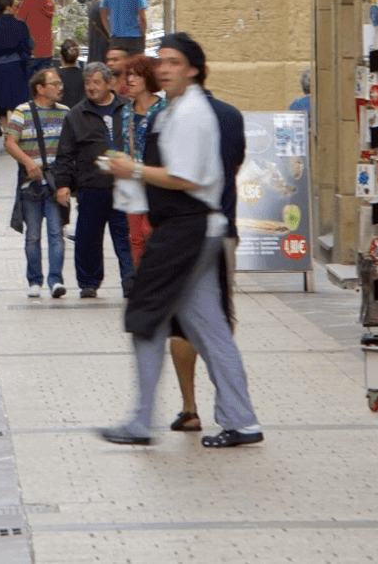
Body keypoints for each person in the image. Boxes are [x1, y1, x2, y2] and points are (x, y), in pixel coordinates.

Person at [99, 35, 262, 449]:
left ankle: (141, 421)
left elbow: (184, 178)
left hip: (186, 230)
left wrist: (132, 169)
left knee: (146, 318)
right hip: (196, 228)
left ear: (193, 70)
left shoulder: (191, 113)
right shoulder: (174, 110)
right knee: (210, 330)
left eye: (174, 62)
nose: (165, 68)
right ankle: (242, 421)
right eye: (162, 61)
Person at [112, 53, 200, 428]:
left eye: (136, 75)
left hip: (161, 196)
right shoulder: (123, 113)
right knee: (137, 241)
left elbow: (178, 166)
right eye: (126, 75)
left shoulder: (167, 113)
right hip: (134, 192)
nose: (130, 80)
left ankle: (154, 417)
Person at [52, 61, 134, 300]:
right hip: (91, 185)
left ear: (109, 83)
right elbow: (65, 153)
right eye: (88, 82)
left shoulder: (126, 109)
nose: (91, 87)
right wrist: (63, 184)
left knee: (125, 236)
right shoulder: (76, 115)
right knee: (88, 237)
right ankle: (88, 282)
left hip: (123, 185)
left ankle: (130, 280)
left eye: (96, 82)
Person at [4, 66, 72, 299]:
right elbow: (9, 142)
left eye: (60, 83)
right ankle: (34, 280)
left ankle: (56, 280)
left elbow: (70, 147)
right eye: (55, 84)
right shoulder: (22, 112)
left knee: (56, 233)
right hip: (30, 184)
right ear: (40, 89)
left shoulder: (65, 113)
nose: (60, 88)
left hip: (55, 183)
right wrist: (28, 163)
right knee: (33, 235)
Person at [16, 0, 57, 71]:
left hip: (32, 51)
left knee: (30, 81)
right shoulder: (49, 0)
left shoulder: (28, 1)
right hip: (47, 49)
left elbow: (18, 22)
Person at [56, 39, 86, 106]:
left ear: (61, 56)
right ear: (77, 55)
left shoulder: (55, 76)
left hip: (60, 111)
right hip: (81, 110)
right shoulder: (86, 75)